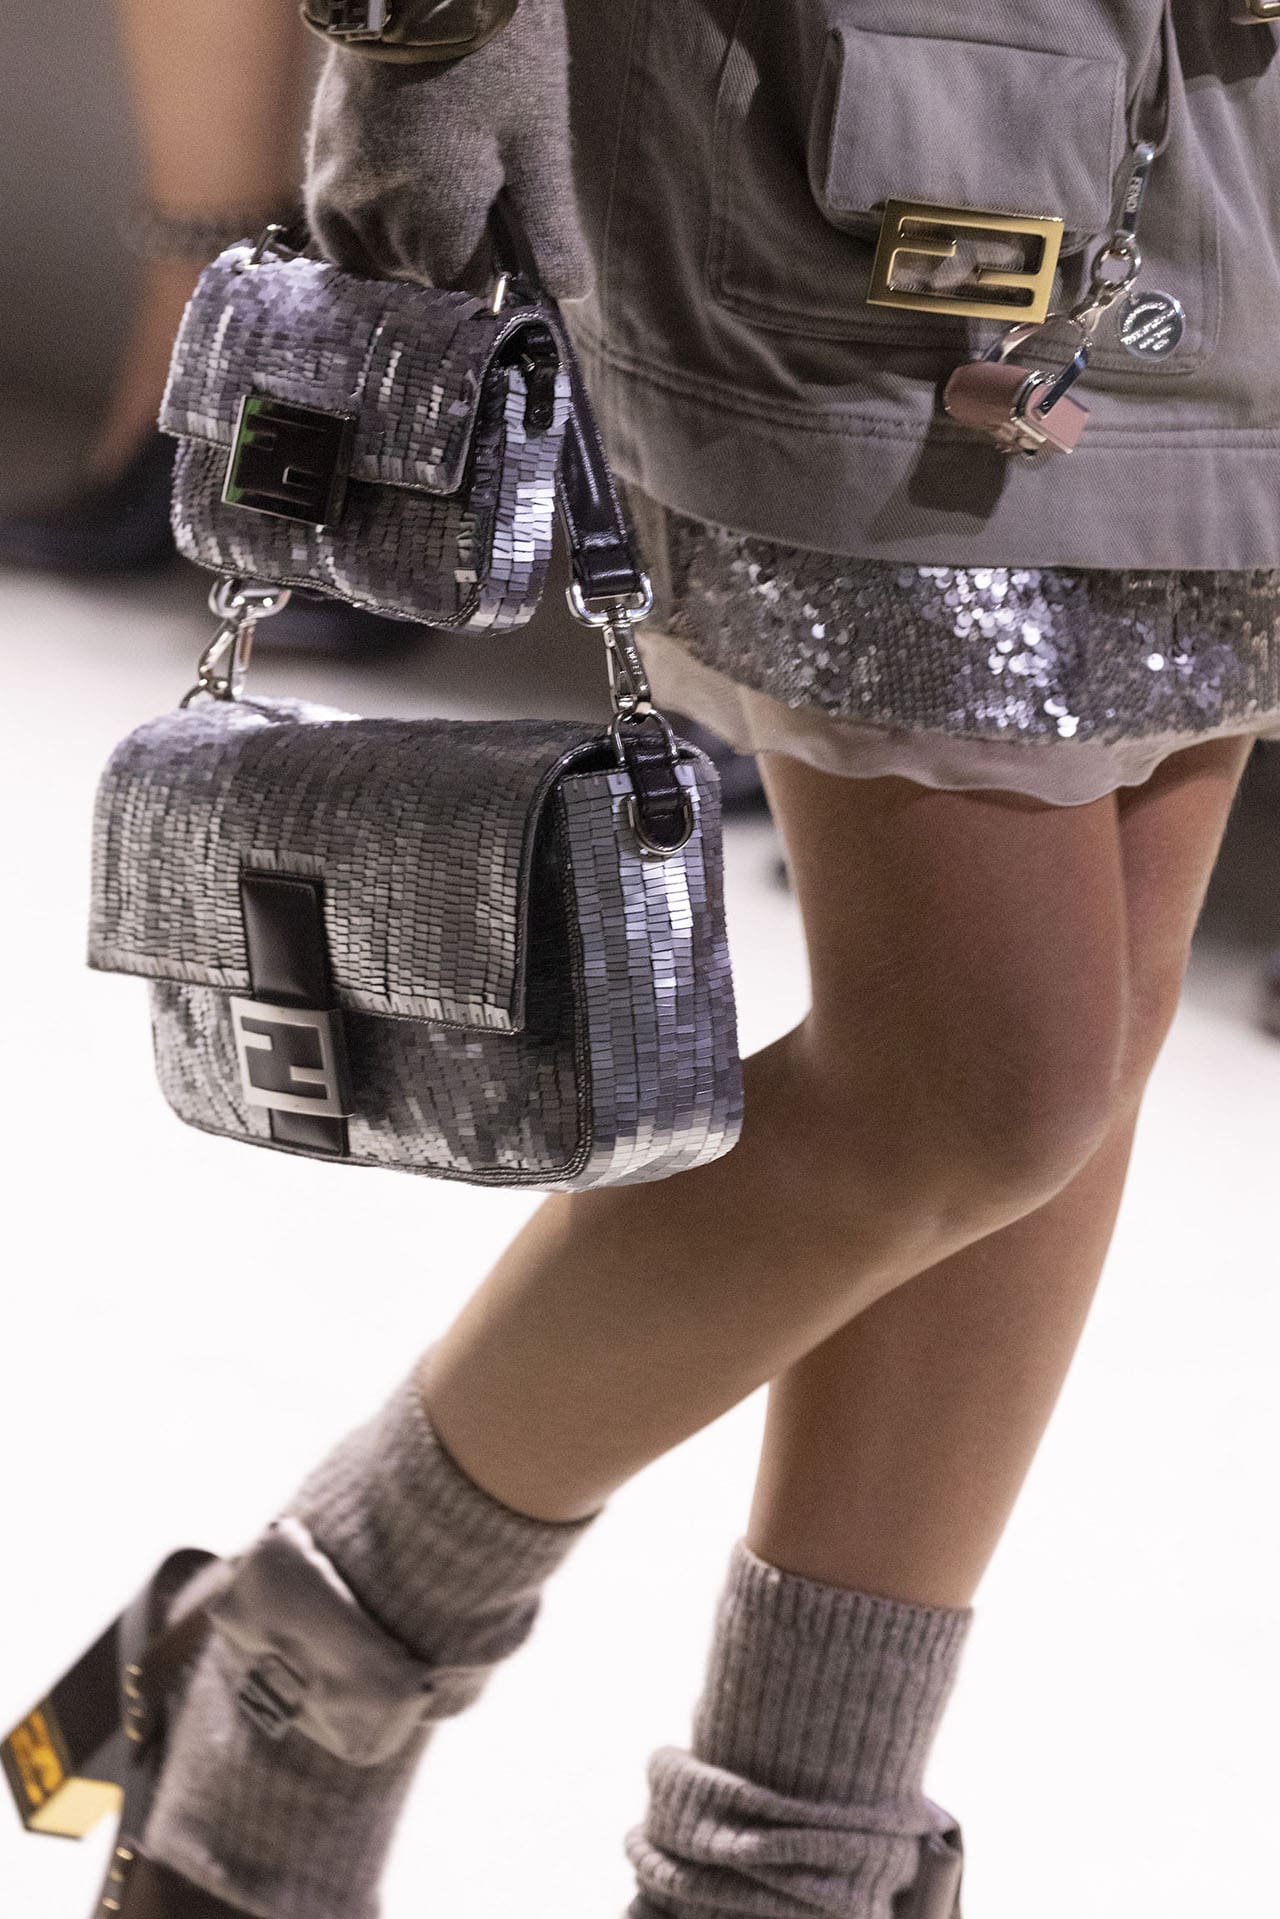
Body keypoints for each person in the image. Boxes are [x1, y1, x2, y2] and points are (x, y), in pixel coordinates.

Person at [14, 4, 1279, 1916]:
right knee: (990, 1073)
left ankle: (788, 1852)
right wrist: (429, 44)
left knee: (1087, 1010)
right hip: (873, 133)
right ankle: (310, 1660)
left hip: (1222, 125)